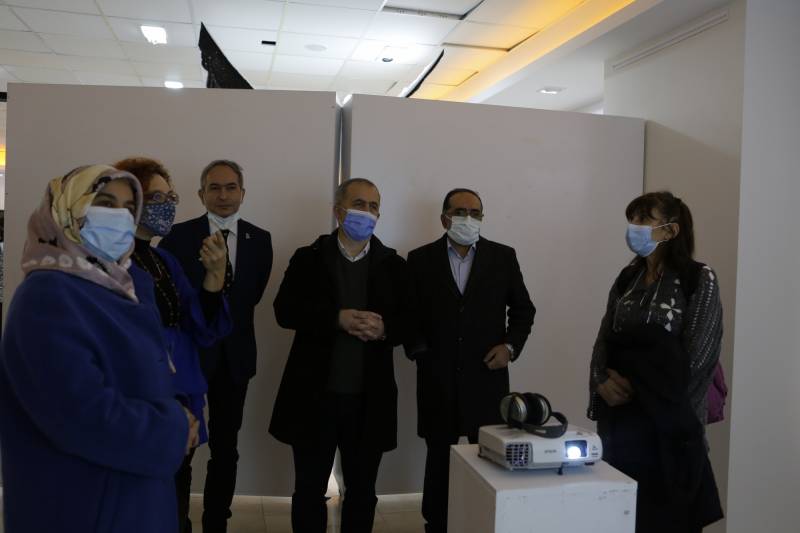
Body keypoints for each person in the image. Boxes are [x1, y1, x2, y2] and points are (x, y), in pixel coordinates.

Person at [0, 165, 197, 533]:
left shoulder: (125, 286)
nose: (119, 217)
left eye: (128, 208)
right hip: (85, 505)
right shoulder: (47, 296)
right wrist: (171, 428)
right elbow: (80, 415)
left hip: (134, 495)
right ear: (67, 210)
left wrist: (177, 410)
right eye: (105, 203)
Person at [269, 178, 409, 533]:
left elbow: (413, 323)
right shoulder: (308, 257)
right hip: (314, 397)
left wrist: (386, 328)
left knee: (362, 492)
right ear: (338, 211)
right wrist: (336, 318)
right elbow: (284, 311)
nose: (367, 212)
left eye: (374, 206)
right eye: (359, 204)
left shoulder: (394, 264)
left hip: (369, 400)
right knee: (308, 490)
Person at [587, 191, 723, 532]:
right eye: (631, 219)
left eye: (643, 219)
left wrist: (650, 392)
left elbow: (700, 357)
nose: (633, 227)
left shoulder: (698, 278)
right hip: (621, 424)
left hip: (670, 429)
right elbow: (604, 337)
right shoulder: (627, 278)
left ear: (670, 230)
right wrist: (600, 380)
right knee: (623, 517)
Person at [405, 188, 536, 533]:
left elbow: (523, 310)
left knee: (489, 458)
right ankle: (436, 524)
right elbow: (408, 315)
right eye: (460, 212)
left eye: (475, 213)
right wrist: (420, 352)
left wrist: (510, 347)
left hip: (486, 379)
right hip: (437, 379)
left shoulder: (502, 257)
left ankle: (483, 522)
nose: (468, 218)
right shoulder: (419, 259)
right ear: (444, 218)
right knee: (439, 460)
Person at [114, 157, 233, 533]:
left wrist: (214, 277)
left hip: (181, 391)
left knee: (177, 489)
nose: (167, 205)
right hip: (141, 394)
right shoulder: (111, 260)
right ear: (129, 202)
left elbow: (198, 323)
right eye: (156, 197)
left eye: (171, 197)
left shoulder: (163, 259)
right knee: (143, 497)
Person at [159, 159, 272, 533]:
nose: (223, 195)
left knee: (226, 447)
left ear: (243, 192)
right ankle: (178, 521)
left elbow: (250, 297)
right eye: (215, 188)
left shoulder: (260, 240)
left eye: (230, 187)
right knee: (183, 444)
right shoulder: (177, 237)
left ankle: (216, 522)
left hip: (235, 358)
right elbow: (172, 299)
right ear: (201, 194)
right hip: (189, 358)